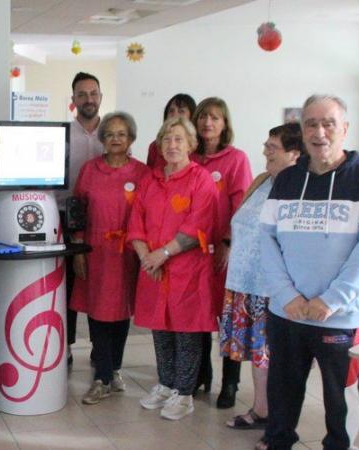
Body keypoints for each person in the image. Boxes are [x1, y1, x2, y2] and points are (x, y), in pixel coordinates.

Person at [259, 95, 359, 450]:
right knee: (282, 400)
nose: (319, 132)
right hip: (286, 314)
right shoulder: (287, 180)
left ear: (345, 129)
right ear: (302, 130)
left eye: (328, 123)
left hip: (340, 318)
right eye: (310, 124)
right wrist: (287, 296)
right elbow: (265, 240)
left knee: (339, 403)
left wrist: (332, 300)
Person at [129, 117, 218, 421]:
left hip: (186, 270)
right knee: (160, 330)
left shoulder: (201, 179)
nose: (172, 145)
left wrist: (161, 255)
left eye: (179, 139)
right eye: (167, 139)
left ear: (192, 144)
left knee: (186, 332)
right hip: (153, 268)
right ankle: (165, 384)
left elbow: (197, 226)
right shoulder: (150, 179)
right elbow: (136, 223)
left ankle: (184, 393)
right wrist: (146, 257)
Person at [220, 123, 303, 432]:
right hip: (243, 284)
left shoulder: (300, 190)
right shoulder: (261, 181)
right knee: (258, 356)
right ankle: (261, 410)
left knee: (276, 359)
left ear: (295, 154)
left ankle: (280, 423)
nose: (265, 151)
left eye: (273, 147)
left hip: (274, 290)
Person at [70, 111, 149, 404]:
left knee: (121, 311)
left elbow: (148, 213)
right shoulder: (90, 170)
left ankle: (114, 370)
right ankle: (101, 376)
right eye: (110, 134)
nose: (116, 139)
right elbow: (77, 211)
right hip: (95, 252)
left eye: (122, 134)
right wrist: (78, 248)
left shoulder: (142, 173)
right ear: (102, 139)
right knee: (98, 312)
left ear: (130, 139)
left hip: (128, 254)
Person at [191, 97, 252, 408]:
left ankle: (230, 383)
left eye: (215, 118)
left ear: (225, 123)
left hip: (226, 253)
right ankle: (201, 374)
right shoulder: (190, 158)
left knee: (229, 319)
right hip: (194, 251)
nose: (208, 123)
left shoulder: (236, 159)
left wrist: (227, 243)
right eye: (203, 117)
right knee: (198, 315)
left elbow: (242, 206)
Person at [60, 72, 105, 365]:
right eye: (82, 94)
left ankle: (101, 349)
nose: (88, 99)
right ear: (73, 100)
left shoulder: (113, 131)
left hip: (104, 220)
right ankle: (66, 346)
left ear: (100, 97)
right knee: (68, 283)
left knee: (102, 283)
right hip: (66, 218)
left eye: (93, 93)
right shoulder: (62, 133)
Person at [146, 93, 196, 169]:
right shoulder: (155, 146)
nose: (175, 115)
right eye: (171, 111)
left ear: (192, 116)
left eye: (181, 111)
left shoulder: (200, 146)